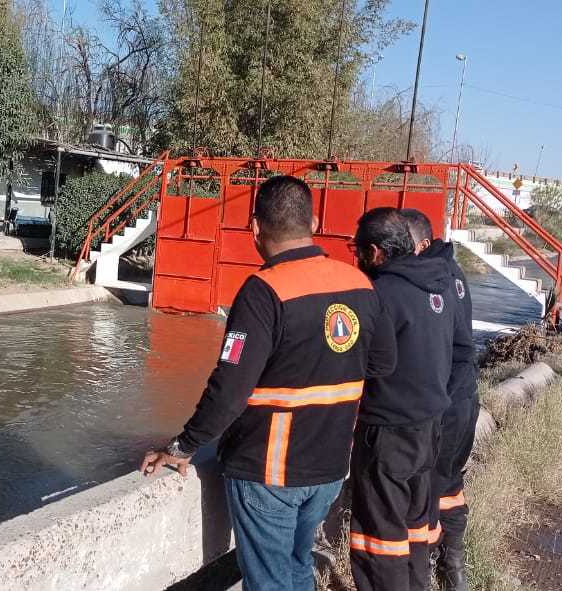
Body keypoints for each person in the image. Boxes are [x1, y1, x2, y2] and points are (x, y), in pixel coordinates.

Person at [140, 175, 395, 591]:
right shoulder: (360, 285)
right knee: (298, 568)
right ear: (313, 222)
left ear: (255, 228)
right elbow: (384, 364)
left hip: (271, 472)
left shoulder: (264, 291)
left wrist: (181, 447)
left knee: (271, 581)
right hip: (330, 468)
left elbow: (229, 389)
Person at [348, 207, 455, 591]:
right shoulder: (438, 284)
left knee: (379, 537)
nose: (357, 259)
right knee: (414, 527)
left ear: (375, 252)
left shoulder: (379, 294)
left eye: (357, 251)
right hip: (429, 428)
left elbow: (371, 364)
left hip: (388, 431)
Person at [401, 209, 478, 591]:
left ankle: (424, 576)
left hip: (442, 405)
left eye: (403, 244)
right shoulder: (453, 273)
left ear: (423, 244)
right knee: (449, 484)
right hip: (465, 398)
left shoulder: (425, 281)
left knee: (427, 495)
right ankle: (454, 572)